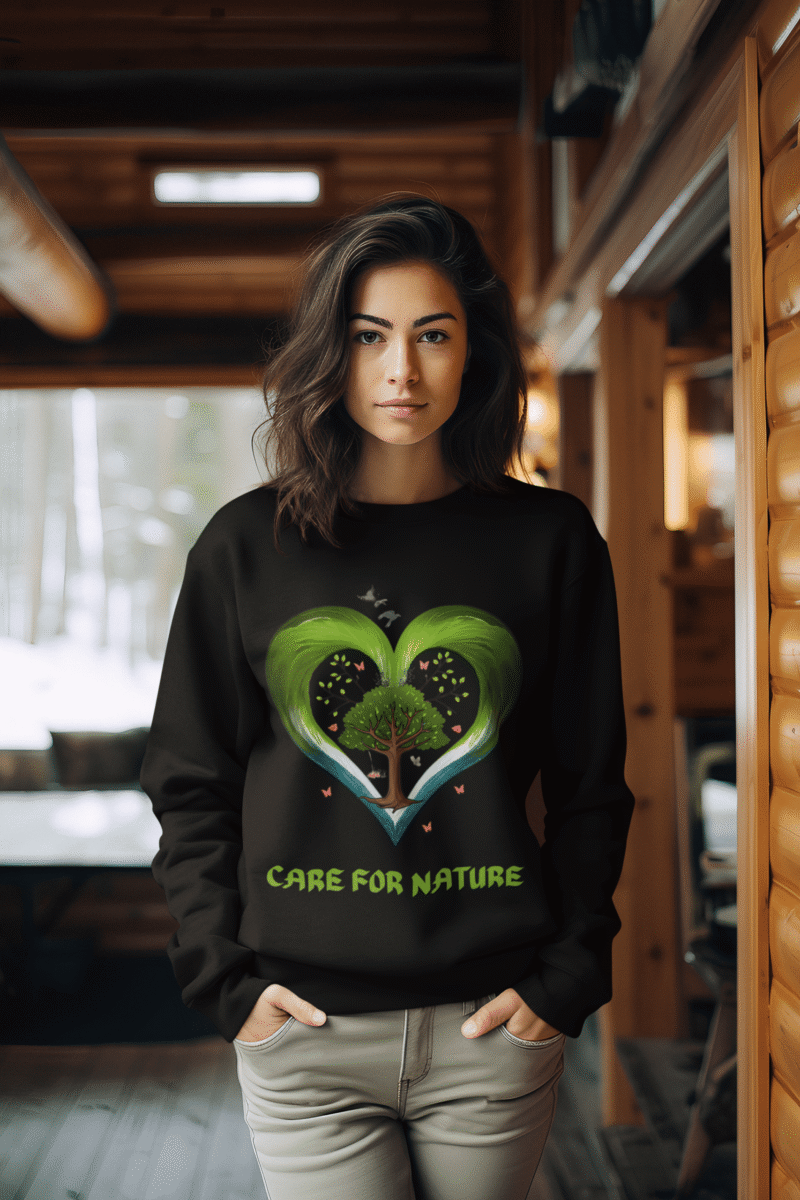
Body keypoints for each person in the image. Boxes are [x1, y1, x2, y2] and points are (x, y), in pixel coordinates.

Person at [141, 194, 636, 1200]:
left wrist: (566, 979)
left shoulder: (550, 543)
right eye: (368, 337)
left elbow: (591, 784)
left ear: (476, 353)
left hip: (492, 1027)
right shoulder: (245, 547)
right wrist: (227, 983)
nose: (400, 371)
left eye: (432, 336)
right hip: (303, 1035)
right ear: (333, 351)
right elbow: (190, 781)